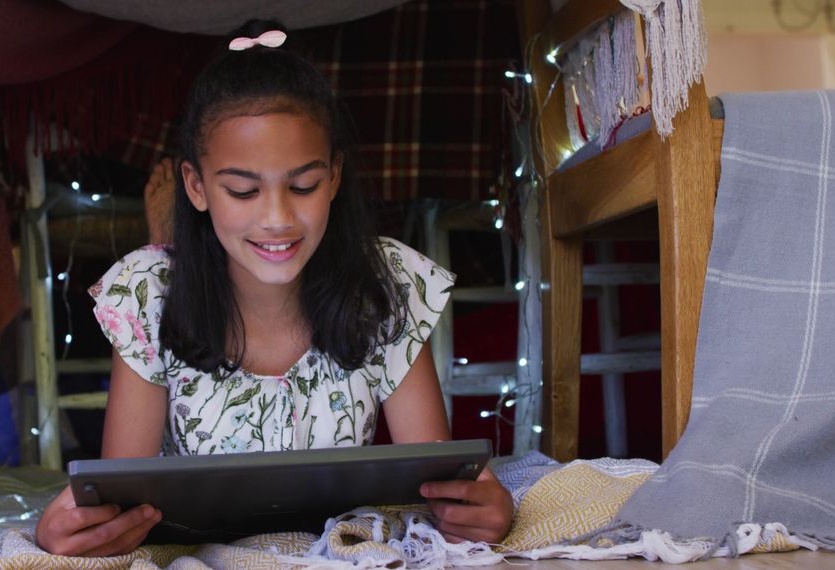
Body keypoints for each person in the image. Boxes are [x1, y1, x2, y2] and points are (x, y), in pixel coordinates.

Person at [36, 20, 514, 557]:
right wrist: (71, 530)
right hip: (194, 547)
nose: (277, 218)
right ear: (195, 186)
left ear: (334, 177)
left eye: (303, 185)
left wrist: (480, 510)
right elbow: (118, 504)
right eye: (242, 191)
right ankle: (175, 242)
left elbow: (440, 484)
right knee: (173, 273)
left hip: (336, 551)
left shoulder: (385, 285)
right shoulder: (148, 296)